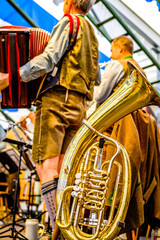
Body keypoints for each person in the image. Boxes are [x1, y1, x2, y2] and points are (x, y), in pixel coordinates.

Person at [0, 0, 99, 236]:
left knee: (46, 167)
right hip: (80, 105)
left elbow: (47, 60)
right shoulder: (93, 34)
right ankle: (71, 228)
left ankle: (58, 230)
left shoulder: (69, 21)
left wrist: (11, 77)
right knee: (65, 171)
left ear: (72, 2)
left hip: (56, 101)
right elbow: (97, 78)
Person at [94, 36, 160, 239]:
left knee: (109, 173)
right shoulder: (139, 67)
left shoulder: (117, 65)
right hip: (141, 128)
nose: (111, 55)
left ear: (120, 49)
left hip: (120, 129)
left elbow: (99, 96)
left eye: (112, 50)